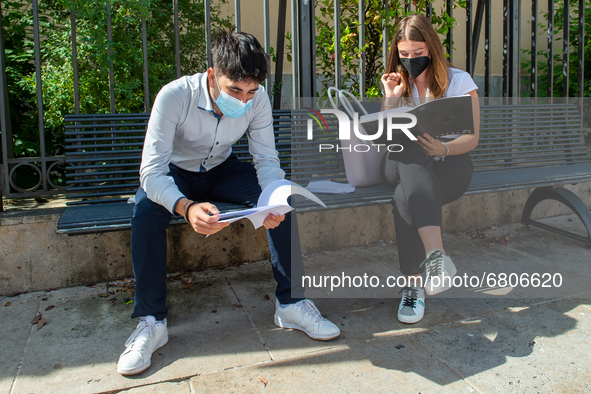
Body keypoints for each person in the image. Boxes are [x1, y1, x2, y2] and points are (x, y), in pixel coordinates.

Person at [117, 30, 340, 376]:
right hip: (175, 173)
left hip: (221, 169)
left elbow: (266, 160)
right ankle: (151, 321)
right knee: (146, 210)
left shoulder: (259, 99)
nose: (244, 99)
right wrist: (186, 207)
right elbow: (151, 171)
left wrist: (271, 203)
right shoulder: (175, 96)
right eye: (235, 90)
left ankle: (291, 303)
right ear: (211, 75)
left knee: (282, 199)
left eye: (251, 91)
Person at [379, 14, 480, 324]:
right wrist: (391, 100)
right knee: (410, 147)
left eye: (418, 54)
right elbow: (385, 139)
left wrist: (445, 148)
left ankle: (413, 286)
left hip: (449, 163)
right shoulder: (397, 84)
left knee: (403, 197)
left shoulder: (459, 81)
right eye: (404, 55)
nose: (411, 61)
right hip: (401, 161)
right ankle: (437, 256)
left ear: (432, 49)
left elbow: (472, 138)